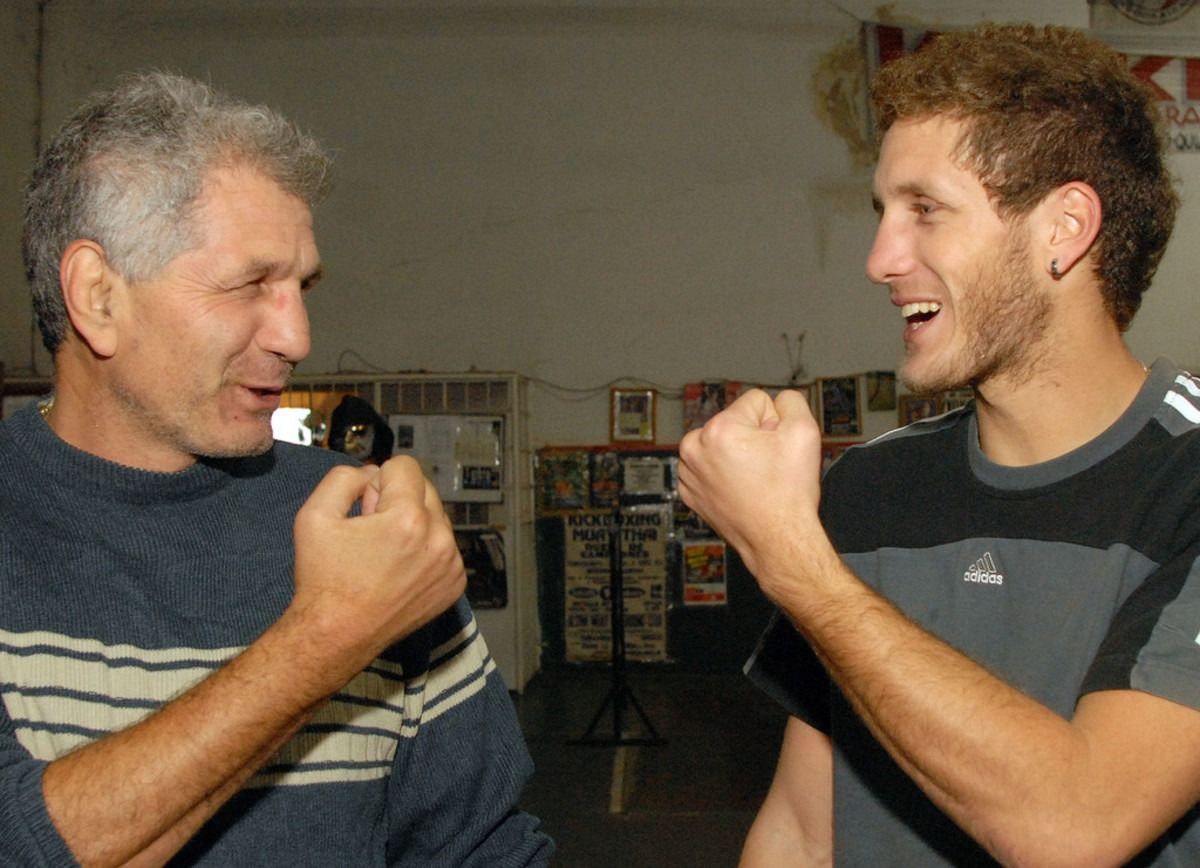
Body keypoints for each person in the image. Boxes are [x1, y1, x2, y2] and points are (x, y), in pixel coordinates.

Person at [677, 23, 1200, 867]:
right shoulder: (874, 487)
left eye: (926, 209)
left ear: (1065, 228)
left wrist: (791, 559)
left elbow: (1078, 825)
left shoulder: (1186, 483)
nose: (881, 259)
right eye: (882, 212)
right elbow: (805, 833)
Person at [2, 71, 553, 866]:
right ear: (97, 296)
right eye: (250, 284)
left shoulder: (359, 526)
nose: (295, 337)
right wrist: (328, 636)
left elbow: (481, 846)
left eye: (301, 286)